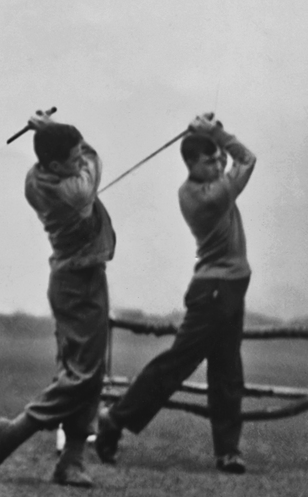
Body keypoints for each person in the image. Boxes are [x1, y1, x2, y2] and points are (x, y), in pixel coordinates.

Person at [95, 113, 256, 473]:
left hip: (228, 288)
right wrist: (217, 132)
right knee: (177, 365)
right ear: (191, 164)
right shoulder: (206, 196)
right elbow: (246, 159)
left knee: (228, 370)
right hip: (214, 291)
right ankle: (115, 418)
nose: (218, 163)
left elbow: (231, 159)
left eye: (217, 158)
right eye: (209, 159)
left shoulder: (209, 182)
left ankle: (228, 450)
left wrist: (211, 132)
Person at [0, 112, 116, 487]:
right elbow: (92, 159)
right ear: (56, 164)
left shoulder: (35, 177)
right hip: (79, 283)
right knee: (82, 376)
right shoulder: (73, 190)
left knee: (84, 373)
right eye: (71, 160)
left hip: (76, 278)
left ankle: (71, 460)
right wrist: (61, 136)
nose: (79, 162)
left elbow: (73, 155)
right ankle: (12, 433)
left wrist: (48, 133)